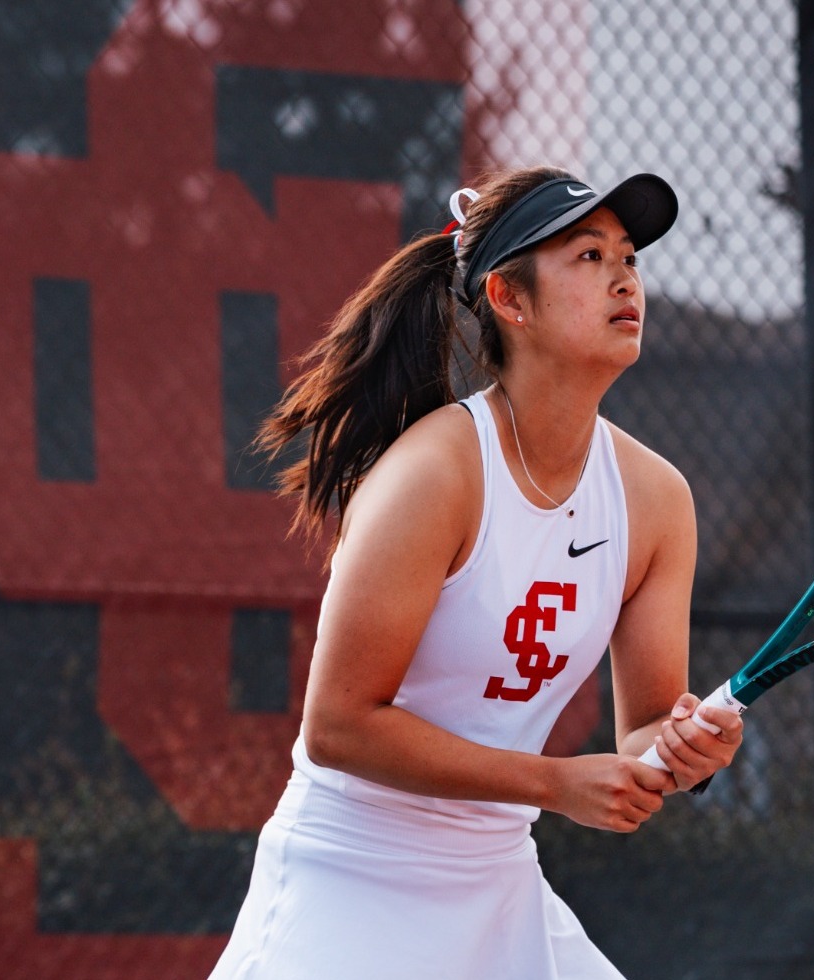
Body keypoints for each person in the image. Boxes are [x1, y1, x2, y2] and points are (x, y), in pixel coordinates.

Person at [208, 166, 744, 980]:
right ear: (509, 298)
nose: (625, 278)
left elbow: (644, 728)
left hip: (499, 883)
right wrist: (554, 784)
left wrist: (682, 750)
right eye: (589, 256)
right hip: (350, 877)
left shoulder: (658, 501)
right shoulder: (434, 475)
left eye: (629, 257)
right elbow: (338, 726)